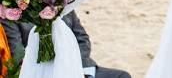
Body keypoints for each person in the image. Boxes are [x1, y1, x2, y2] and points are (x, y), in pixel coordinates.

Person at [1, 11, 131, 78]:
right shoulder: (11, 15)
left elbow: (82, 38)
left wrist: (74, 66)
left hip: (83, 66)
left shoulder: (63, 4)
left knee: (121, 76)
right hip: (47, 72)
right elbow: (18, 52)